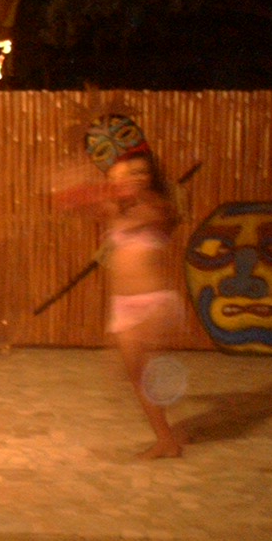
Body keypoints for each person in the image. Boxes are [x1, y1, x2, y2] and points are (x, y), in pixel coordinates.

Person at [99, 153, 184, 459]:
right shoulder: (118, 209)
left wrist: (130, 194)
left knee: (145, 375)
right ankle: (167, 439)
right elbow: (87, 208)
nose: (130, 178)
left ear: (150, 177)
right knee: (136, 376)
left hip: (152, 302)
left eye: (138, 172)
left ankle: (167, 440)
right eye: (122, 175)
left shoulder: (159, 208)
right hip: (122, 306)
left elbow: (152, 216)